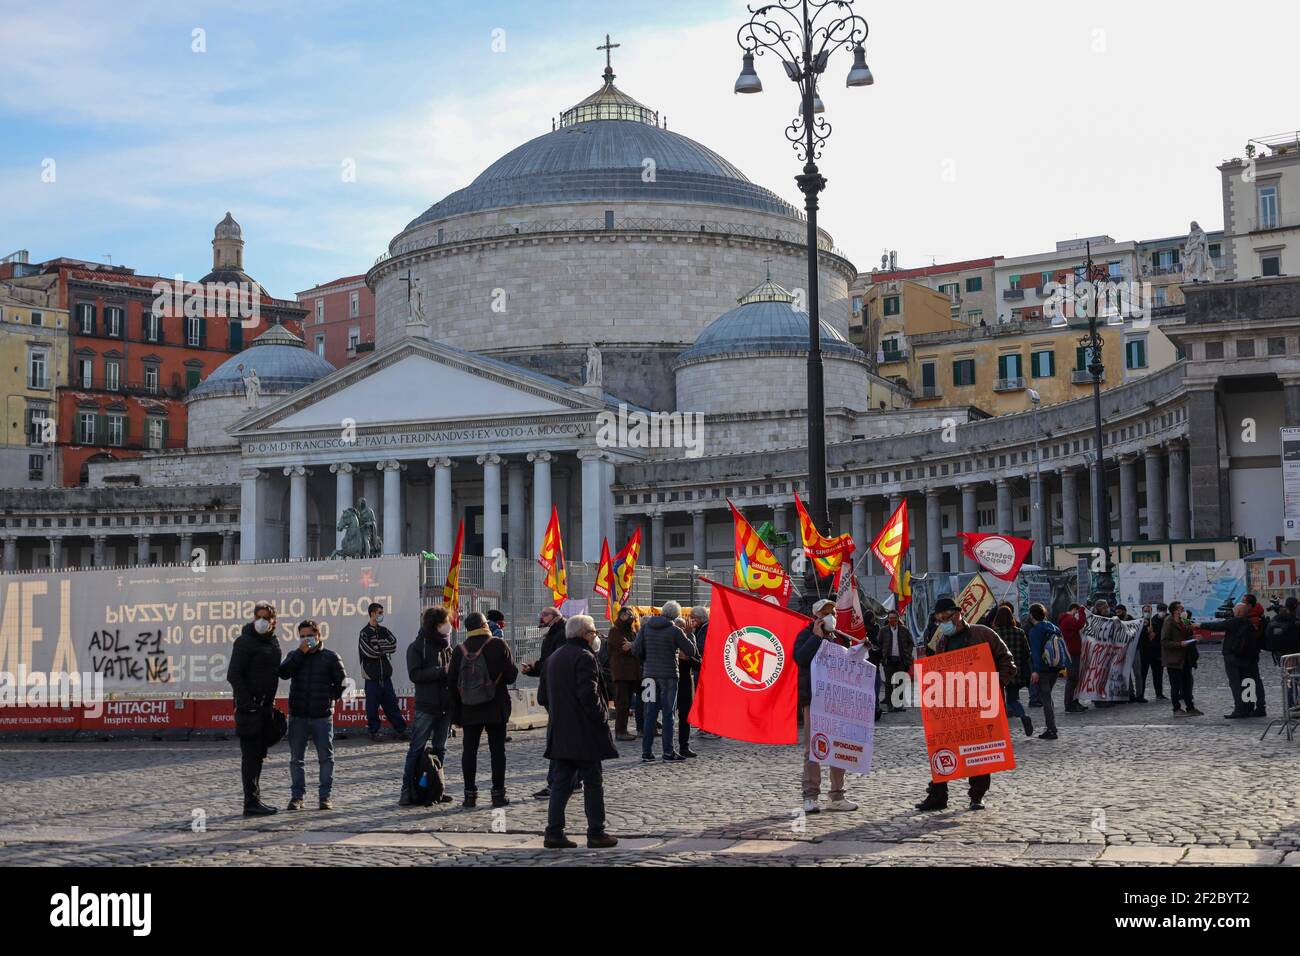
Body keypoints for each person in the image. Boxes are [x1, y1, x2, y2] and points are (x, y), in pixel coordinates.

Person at [916, 597, 1017, 812]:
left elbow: (1007, 661)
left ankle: (977, 795)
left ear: (958, 614)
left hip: (980, 703)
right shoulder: (942, 641)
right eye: (938, 619)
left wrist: (995, 686)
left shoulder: (983, 634)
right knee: (943, 746)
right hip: (953, 704)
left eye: (946, 617)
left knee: (978, 750)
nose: (943, 622)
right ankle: (938, 794)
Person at [542, 614, 619, 850]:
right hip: (584, 732)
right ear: (584, 634)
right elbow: (589, 694)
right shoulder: (584, 657)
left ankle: (554, 832)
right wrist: (602, 717)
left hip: (561, 731)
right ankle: (597, 832)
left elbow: (544, 695)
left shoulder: (555, 656)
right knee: (593, 782)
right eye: (593, 631)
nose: (595, 635)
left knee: (561, 785)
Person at [449, 611, 519, 808]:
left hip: (469, 708)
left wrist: (456, 713)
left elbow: (452, 683)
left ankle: (469, 796)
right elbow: (511, 675)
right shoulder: (498, 645)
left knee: (469, 752)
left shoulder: (459, 649)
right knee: (497, 751)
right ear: (484, 625)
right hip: (495, 707)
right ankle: (498, 795)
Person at [793, 608, 859, 814]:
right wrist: (816, 636)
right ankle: (810, 796)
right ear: (816, 617)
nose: (831, 616)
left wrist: (861, 651)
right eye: (825, 613)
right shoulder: (805, 635)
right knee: (813, 748)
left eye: (833, 613)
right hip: (814, 700)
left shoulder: (839, 638)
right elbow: (801, 658)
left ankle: (837, 795)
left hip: (836, 701)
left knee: (838, 747)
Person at [278, 619, 346, 811]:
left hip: (322, 717)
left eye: (309, 635)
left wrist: (329, 698)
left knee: (326, 758)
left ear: (318, 635)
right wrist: (300, 653)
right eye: (302, 636)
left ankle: (325, 797)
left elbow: (342, 683)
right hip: (298, 715)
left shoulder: (331, 657)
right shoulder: (294, 655)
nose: (306, 639)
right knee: (296, 759)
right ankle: (297, 797)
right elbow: (283, 673)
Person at [228, 600, 283, 816]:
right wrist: (247, 703)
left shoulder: (273, 641)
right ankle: (250, 802)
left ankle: (255, 799)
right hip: (249, 709)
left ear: (273, 621)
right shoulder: (244, 641)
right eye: (258, 617)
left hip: (265, 708)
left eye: (266, 618)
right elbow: (233, 675)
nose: (262, 621)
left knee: (259, 754)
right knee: (250, 755)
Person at [400, 606, 456, 806]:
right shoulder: (417, 646)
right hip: (426, 705)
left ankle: (435, 788)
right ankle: (407, 790)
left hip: (445, 707)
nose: (447, 626)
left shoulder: (447, 646)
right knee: (416, 749)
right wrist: (442, 671)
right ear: (435, 625)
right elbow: (415, 675)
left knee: (440, 749)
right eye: (444, 623)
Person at [632, 601, 697, 762]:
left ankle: (646, 752)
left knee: (650, 714)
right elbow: (691, 651)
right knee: (668, 715)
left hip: (649, 676)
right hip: (668, 676)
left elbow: (635, 650)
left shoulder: (646, 628)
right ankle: (668, 752)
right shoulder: (675, 630)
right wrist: (688, 633)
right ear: (676, 616)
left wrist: (647, 660)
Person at [522, 605, 568, 798]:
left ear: (556, 617)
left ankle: (555, 783)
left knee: (557, 740)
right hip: (551, 691)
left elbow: (553, 661)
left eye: (545, 614)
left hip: (558, 693)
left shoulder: (562, 633)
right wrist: (534, 669)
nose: (541, 618)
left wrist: (538, 666)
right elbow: (547, 662)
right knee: (564, 739)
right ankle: (572, 780)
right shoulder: (551, 633)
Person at [1201, 603, 1266, 719]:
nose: (1233, 612)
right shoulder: (1249, 623)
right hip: (1246, 657)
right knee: (1247, 682)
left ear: (1239, 612)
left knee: (1235, 684)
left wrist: (1198, 624)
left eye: (1235, 610)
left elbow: (1215, 626)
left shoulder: (1233, 622)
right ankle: (1248, 707)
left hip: (1232, 656)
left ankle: (1239, 709)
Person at [359, 602, 408, 741]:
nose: (382, 615)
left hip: (386, 677)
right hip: (371, 678)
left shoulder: (384, 631)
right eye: (380, 613)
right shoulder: (364, 633)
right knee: (372, 708)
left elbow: (393, 644)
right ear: (373, 613)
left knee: (392, 705)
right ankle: (374, 732)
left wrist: (378, 645)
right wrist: (381, 647)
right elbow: (369, 652)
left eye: (382, 612)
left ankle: (401, 730)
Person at [993, 605, 1033, 737]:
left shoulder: (994, 633)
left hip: (998, 672)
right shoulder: (1019, 632)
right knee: (1012, 699)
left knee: (997, 701)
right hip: (1014, 671)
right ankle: (1024, 716)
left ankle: (1000, 729)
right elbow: (1027, 652)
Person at [1026, 603, 1061, 740]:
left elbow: (1035, 653)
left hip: (1043, 669)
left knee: (1045, 699)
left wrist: (1035, 671)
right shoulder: (1054, 627)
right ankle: (1051, 727)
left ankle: (1051, 729)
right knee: (1048, 697)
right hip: (1055, 667)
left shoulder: (1035, 631)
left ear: (1031, 615)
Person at [607, 606, 642, 741]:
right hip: (622, 673)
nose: (631, 617)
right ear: (621, 615)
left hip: (633, 672)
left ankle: (643, 726)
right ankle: (621, 731)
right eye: (628, 614)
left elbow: (635, 646)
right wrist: (635, 645)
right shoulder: (615, 631)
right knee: (623, 703)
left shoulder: (631, 631)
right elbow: (626, 647)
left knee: (641, 699)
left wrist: (634, 644)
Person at [1161, 601, 1203, 717]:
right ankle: (1176, 709)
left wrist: (1194, 637)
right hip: (1174, 659)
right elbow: (1165, 642)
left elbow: (1189, 633)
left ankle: (1190, 707)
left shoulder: (1184, 620)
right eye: (1181, 608)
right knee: (1176, 685)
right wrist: (1180, 644)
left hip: (1186, 658)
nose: (1183, 610)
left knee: (1187, 684)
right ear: (1175, 610)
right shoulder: (1168, 622)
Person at [878, 609, 913, 713]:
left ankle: (898, 705)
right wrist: (882, 656)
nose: (893, 620)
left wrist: (908, 653)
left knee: (900, 682)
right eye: (891, 618)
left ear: (898, 619)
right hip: (888, 661)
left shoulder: (904, 630)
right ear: (888, 619)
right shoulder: (883, 630)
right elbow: (879, 643)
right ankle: (890, 706)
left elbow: (911, 643)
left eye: (895, 618)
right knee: (888, 683)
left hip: (901, 660)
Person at [1058, 604, 1087, 713]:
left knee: (1075, 678)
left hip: (1074, 651)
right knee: (1072, 678)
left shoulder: (1067, 619)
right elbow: (1079, 624)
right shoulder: (1068, 619)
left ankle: (1074, 701)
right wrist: (1082, 611)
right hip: (1072, 652)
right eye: (1076, 612)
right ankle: (1069, 704)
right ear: (1074, 610)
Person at [1135, 604, 1164, 702]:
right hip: (1144, 653)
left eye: (1149, 611)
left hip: (1155, 652)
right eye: (1145, 611)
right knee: (1142, 674)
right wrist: (1145, 630)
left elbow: (1154, 636)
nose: (1147, 613)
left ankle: (1159, 693)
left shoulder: (1154, 622)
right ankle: (1140, 694)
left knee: (1158, 674)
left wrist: (1151, 632)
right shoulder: (1139, 622)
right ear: (1142, 612)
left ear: (1151, 612)